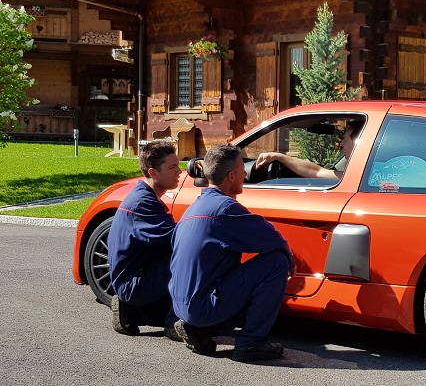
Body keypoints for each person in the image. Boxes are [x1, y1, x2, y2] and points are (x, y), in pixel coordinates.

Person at [169, 144, 295, 362]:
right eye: (242, 169)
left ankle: (200, 329)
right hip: (202, 306)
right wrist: (290, 260)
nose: (246, 173)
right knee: (276, 262)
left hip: (179, 307)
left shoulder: (194, 208)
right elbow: (271, 238)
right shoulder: (224, 209)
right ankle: (251, 343)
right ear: (231, 175)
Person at [107, 140, 182, 341]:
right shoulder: (143, 203)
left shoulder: (144, 196)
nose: (180, 171)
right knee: (188, 259)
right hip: (133, 284)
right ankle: (175, 322)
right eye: (172, 167)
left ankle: (130, 311)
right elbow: (178, 240)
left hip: (136, 277)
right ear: (153, 172)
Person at [254, 120, 363, 179]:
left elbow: (317, 172)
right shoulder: (365, 173)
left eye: (345, 140)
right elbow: (318, 171)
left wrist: (278, 157)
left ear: (357, 144)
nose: (341, 145)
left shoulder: (361, 176)